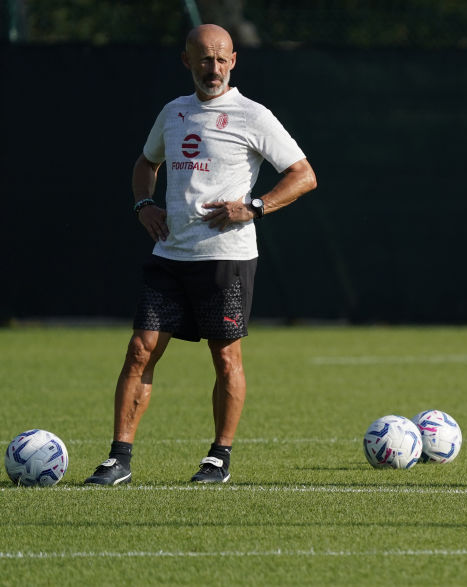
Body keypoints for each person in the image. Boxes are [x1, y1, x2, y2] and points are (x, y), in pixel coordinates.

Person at [84, 24, 317, 485]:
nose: (214, 68)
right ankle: (119, 459)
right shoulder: (173, 112)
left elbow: (303, 174)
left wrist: (253, 207)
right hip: (170, 255)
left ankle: (218, 458)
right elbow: (146, 164)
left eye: (222, 59)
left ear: (234, 61)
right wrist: (143, 204)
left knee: (226, 358)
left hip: (225, 258)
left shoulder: (253, 116)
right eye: (204, 59)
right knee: (139, 351)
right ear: (186, 60)